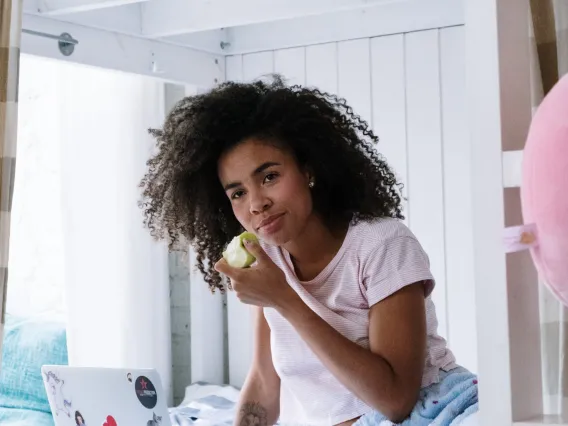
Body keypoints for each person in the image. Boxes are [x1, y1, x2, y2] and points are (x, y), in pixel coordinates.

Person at [139, 75, 479, 426]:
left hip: (442, 412)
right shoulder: (267, 263)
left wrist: (286, 299)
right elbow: (263, 385)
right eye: (238, 193)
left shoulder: (382, 244)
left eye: (269, 176)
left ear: (308, 170)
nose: (257, 203)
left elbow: (395, 401)